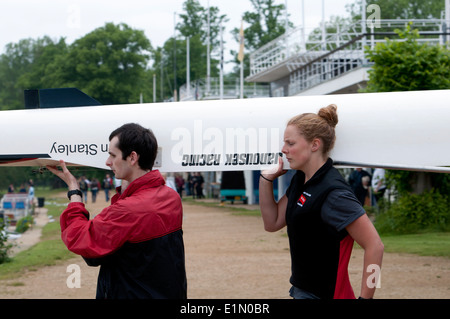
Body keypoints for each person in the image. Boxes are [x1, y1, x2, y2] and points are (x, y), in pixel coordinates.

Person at [47, 123, 187, 299]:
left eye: (113, 155)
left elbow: (78, 238)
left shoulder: (128, 210)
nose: (107, 162)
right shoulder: (171, 198)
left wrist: (74, 192)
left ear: (132, 157)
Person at [259, 104, 384, 299]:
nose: (284, 150)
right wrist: (266, 180)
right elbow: (272, 222)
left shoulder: (334, 193)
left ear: (314, 145)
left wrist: (366, 298)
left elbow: (376, 246)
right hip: (301, 291)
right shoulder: (300, 180)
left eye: (290, 143)